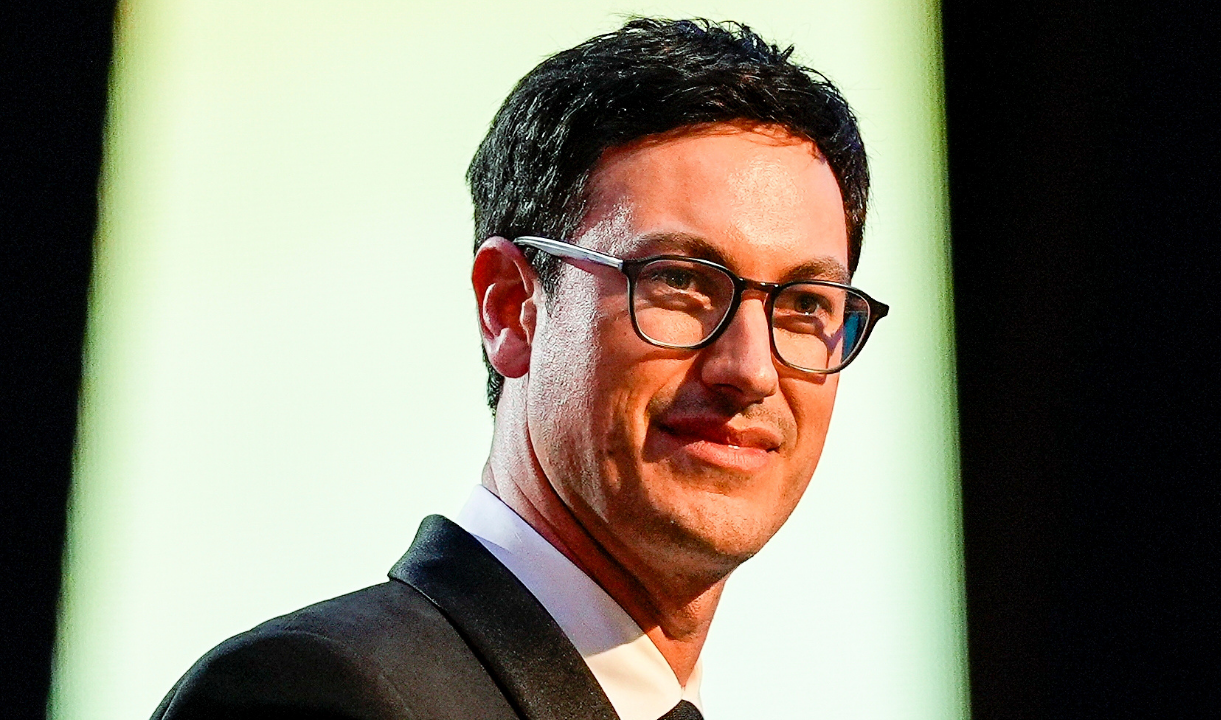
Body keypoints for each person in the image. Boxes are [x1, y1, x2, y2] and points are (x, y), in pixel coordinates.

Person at [152, 17, 887, 720]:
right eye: (680, 282)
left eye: (804, 305)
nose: (751, 370)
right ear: (511, 309)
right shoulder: (315, 698)